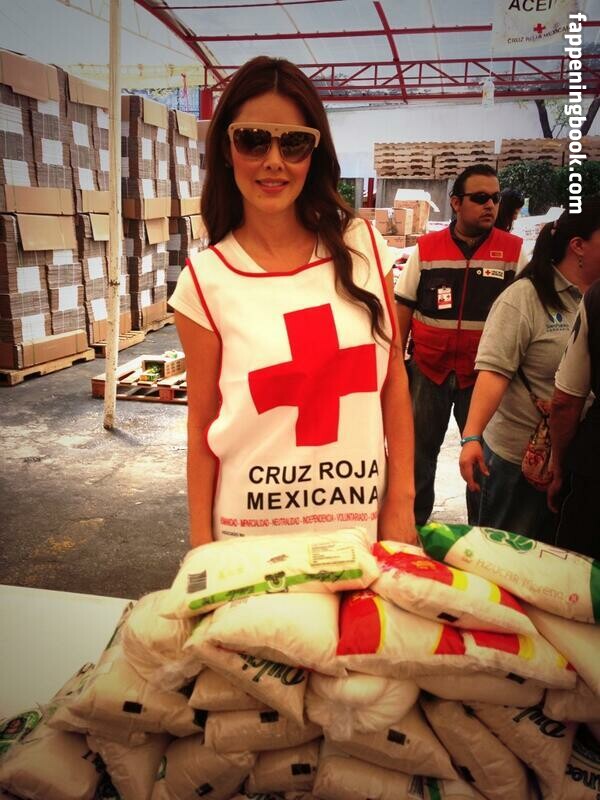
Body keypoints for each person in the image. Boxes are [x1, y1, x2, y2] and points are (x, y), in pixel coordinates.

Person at [169, 56, 416, 547]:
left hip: (358, 533)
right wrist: (200, 547)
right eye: (253, 139)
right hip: (248, 541)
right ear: (227, 149)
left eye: (294, 143)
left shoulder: (363, 247)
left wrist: (402, 501)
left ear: (314, 153)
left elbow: (392, 377)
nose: (274, 161)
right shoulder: (205, 281)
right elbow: (202, 428)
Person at [459, 198, 600, 543]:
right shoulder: (524, 298)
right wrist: (472, 436)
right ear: (578, 245)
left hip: (574, 459)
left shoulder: (594, 299)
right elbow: (493, 372)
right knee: (504, 556)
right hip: (516, 459)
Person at [395, 164, 527, 526]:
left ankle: (480, 537)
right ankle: (412, 530)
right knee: (417, 456)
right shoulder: (427, 249)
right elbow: (403, 306)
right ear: (456, 202)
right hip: (428, 370)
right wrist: (396, 365)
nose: (490, 205)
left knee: (481, 459)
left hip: (482, 377)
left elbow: (525, 314)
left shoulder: (514, 253)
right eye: (480, 198)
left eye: (495, 198)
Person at [548, 276, 600, 560]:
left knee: (581, 575)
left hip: (594, 469)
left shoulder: (595, 297)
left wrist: (557, 467)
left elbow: (566, 401)